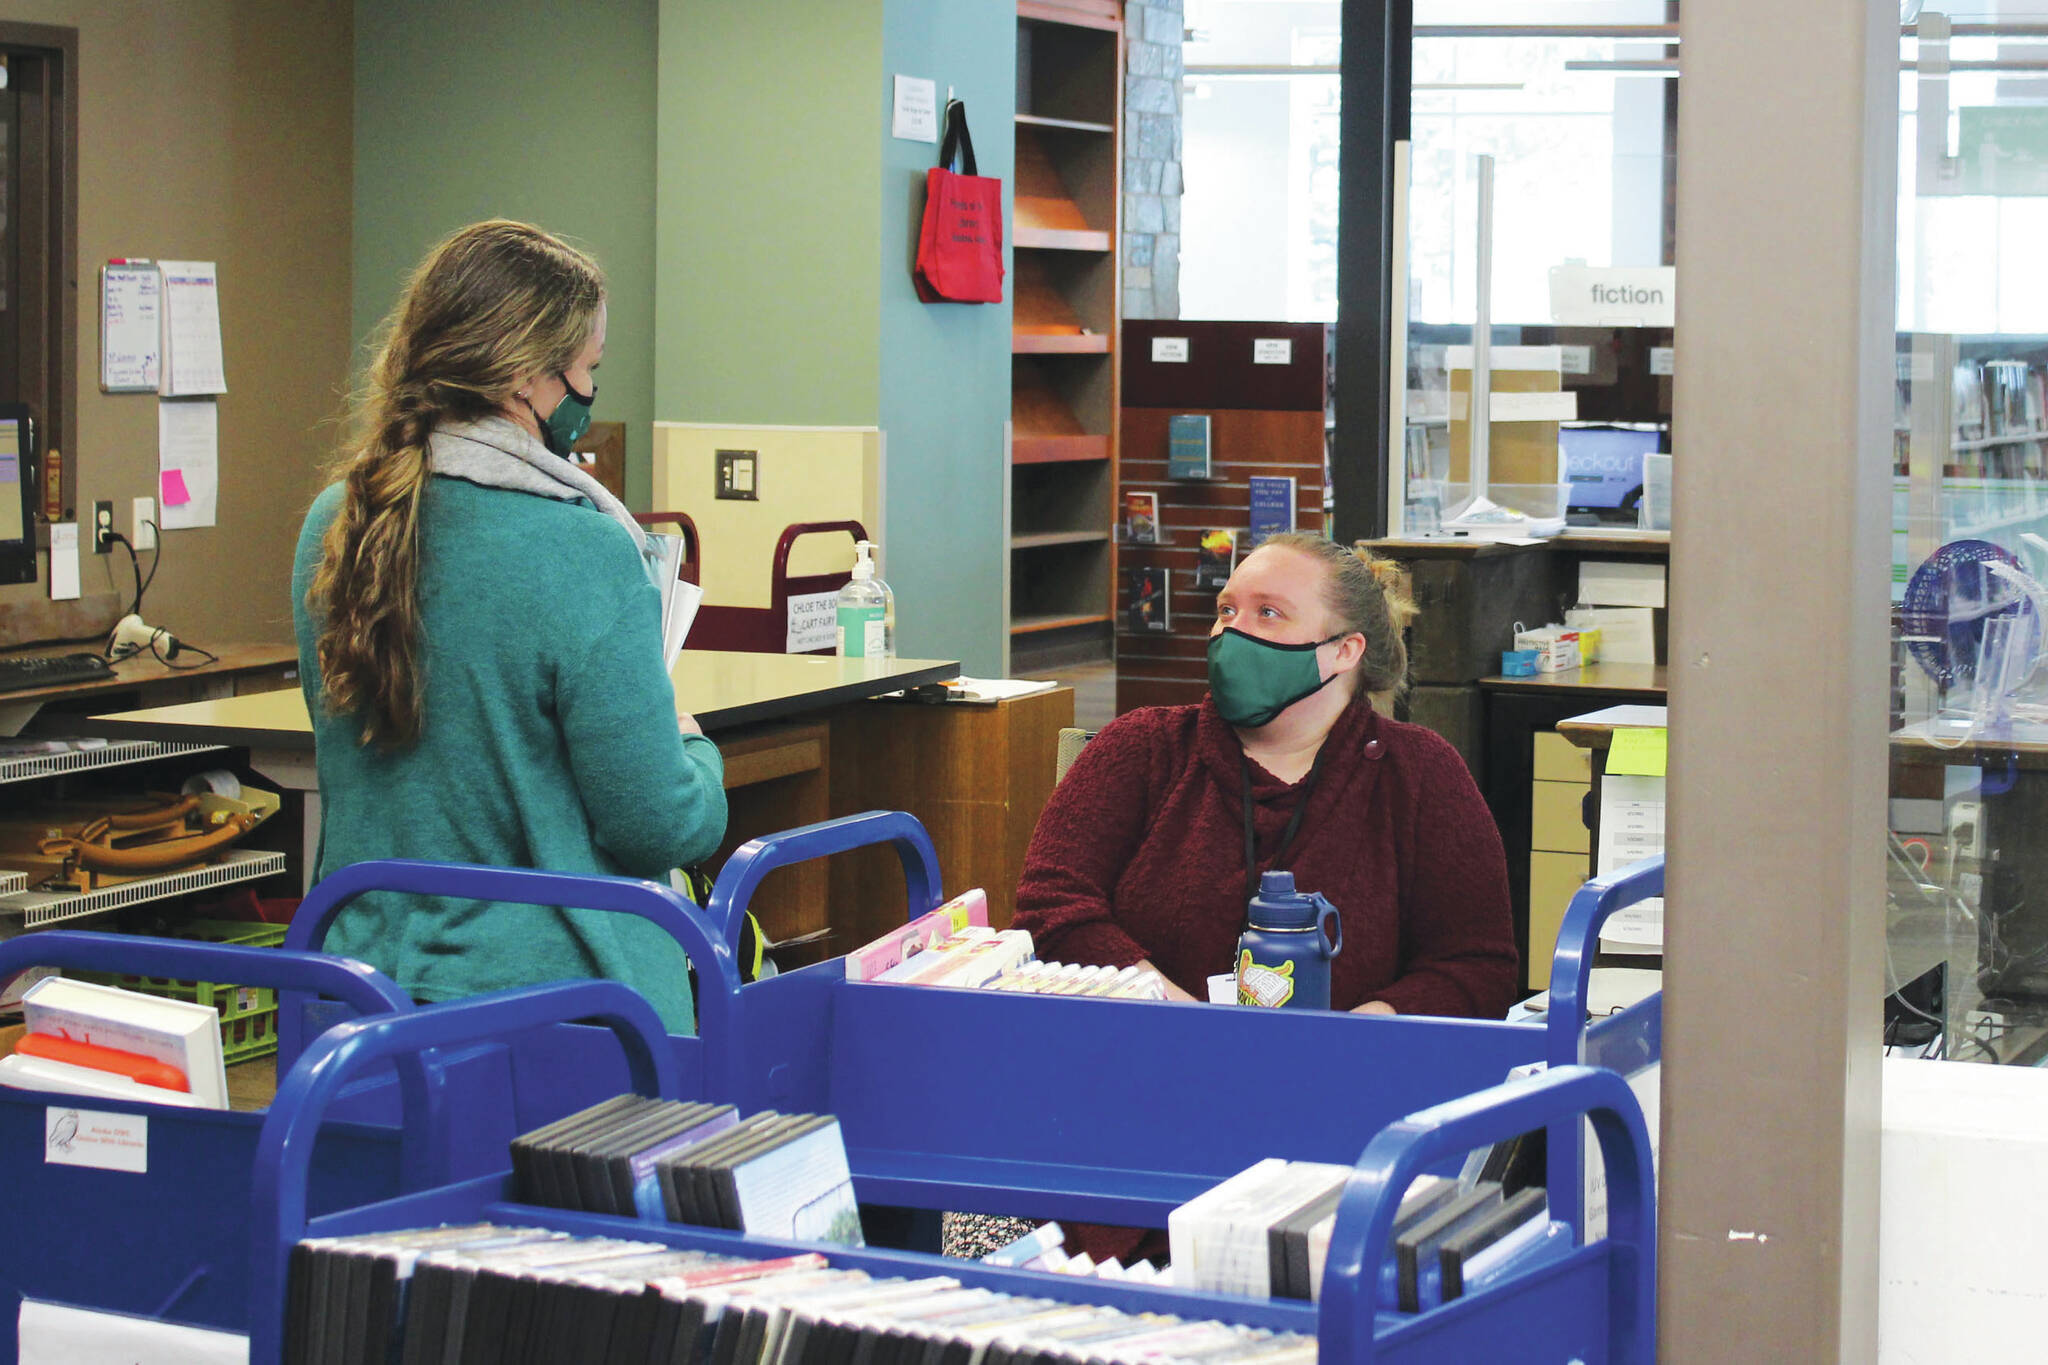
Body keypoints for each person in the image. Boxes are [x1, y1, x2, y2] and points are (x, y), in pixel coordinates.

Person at [292, 220, 726, 1032]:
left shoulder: (337, 524)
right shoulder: (584, 550)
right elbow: (654, 821)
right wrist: (697, 753)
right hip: (567, 1008)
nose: (592, 394)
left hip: (357, 987)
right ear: (528, 377)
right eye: (589, 369)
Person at [1013, 532, 1518, 1019]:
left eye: (1268, 613)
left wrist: (1346, 1040)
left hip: (1342, 1084)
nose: (1231, 631)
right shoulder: (1141, 747)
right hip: (1144, 1066)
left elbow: (1474, 969)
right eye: (1226, 610)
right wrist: (1187, 1024)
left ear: (1345, 650)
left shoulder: (1420, 773)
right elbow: (1052, 910)